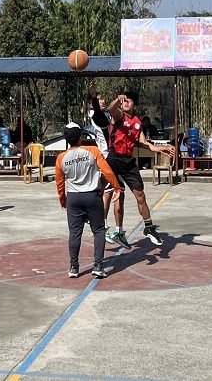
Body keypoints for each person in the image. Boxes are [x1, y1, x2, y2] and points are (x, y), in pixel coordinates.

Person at [105, 91, 176, 248]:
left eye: (128, 101)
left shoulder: (137, 122)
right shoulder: (119, 115)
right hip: (114, 159)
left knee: (140, 195)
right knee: (114, 194)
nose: (124, 103)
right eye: (123, 101)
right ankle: (106, 227)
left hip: (128, 161)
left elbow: (144, 143)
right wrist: (117, 99)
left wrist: (161, 148)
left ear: (135, 106)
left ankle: (148, 227)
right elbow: (111, 109)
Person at [55, 123, 122, 278]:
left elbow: (59, 183)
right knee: (98, 230)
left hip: (73, 198)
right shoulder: (93, 151)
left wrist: (63, 201)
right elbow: (107, 171)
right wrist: (117, 188)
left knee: (74, 232)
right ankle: (98, 266)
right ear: (80, 137)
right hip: (92, 196)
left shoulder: (61, 158)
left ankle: (74, 267)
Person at [88, 83, 116, 244]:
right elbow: (97, 109)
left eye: (103, 98)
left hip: (108, 156)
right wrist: (93, 96)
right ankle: (101, 225)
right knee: (108, 191)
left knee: (103, 189)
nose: (103, 101)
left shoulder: (104, 115)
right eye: (99, 99)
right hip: (106, 157)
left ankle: (93, 218)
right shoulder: (97, 116)